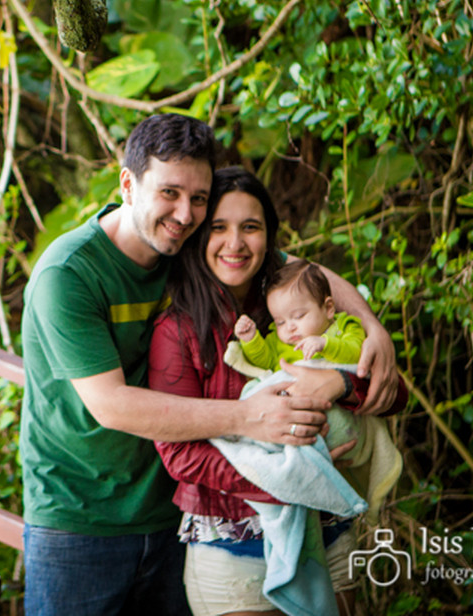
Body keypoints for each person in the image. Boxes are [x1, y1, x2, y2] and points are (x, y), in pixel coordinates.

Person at [20, 115, 399, 616]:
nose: (184, 213)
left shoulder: (187, 247)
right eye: (169, 193)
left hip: (170, 509)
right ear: (128, 184)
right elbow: (111, 405)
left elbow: (307, 275)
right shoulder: (69, 273)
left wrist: (373, 328)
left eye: (198, 198)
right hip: (80, 517)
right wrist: (251, 419)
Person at [147, 167, 408, 616]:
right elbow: (179, 454)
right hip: (232, 543)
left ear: (270, 239)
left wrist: (341, 383)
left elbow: (394, 395)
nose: (235, 243)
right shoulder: (177, 331)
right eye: (219, 228)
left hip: (327, 530)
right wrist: (297, 477)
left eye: (251, 227)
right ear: (199, 236)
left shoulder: (297, 308)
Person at [235, 260, 365, 370]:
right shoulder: (278, 342)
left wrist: (326, 345)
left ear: (328, 308)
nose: (289, 328)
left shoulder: (345, 327)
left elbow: (356, 354)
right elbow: (265, 361)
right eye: (280, 322)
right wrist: (250, 339)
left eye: (299, 316)